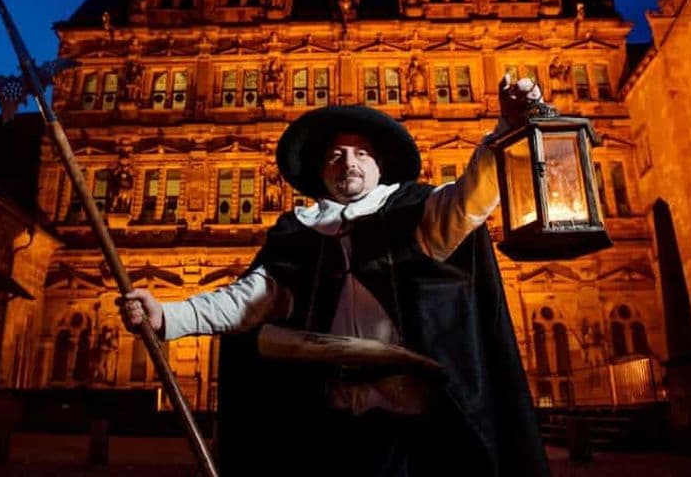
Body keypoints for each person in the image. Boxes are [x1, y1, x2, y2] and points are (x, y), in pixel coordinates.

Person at [119, 80, 550, 477]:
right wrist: (167, 317)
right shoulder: (299, 233)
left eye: (362, 153)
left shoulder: (417, 214)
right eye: (336, 154)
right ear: (321, 171)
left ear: (380, 166)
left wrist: (507, 129)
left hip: (415, 433)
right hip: (329, 432)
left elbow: (471, 197)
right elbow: (245, 300)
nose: (349, 162)